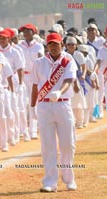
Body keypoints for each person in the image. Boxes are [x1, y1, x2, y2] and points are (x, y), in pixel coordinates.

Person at [30, 33, 77, 192]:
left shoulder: (68, 60)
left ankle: (69, 178)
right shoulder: (39, 63)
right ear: (47, 46)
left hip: (63, 105)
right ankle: (50, 182)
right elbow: (35, 86)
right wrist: (32, 107)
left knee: (67, 145)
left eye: (56, 44)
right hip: (44, 106)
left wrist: (60, 92)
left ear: (62, 44)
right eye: (50, 44)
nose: (53, 46)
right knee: (48, 145)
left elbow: (69, 80)